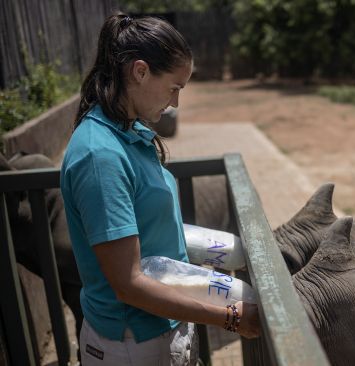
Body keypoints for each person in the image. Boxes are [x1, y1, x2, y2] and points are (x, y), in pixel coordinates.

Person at [60, 13, 260, 365]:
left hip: (162, 331)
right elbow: (129, 284)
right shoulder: (100, 155)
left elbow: (149, 230)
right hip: (132, 344)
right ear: (140, 71)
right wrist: (230, 317)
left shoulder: (129, 132)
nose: (175, 103)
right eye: (174, 87)